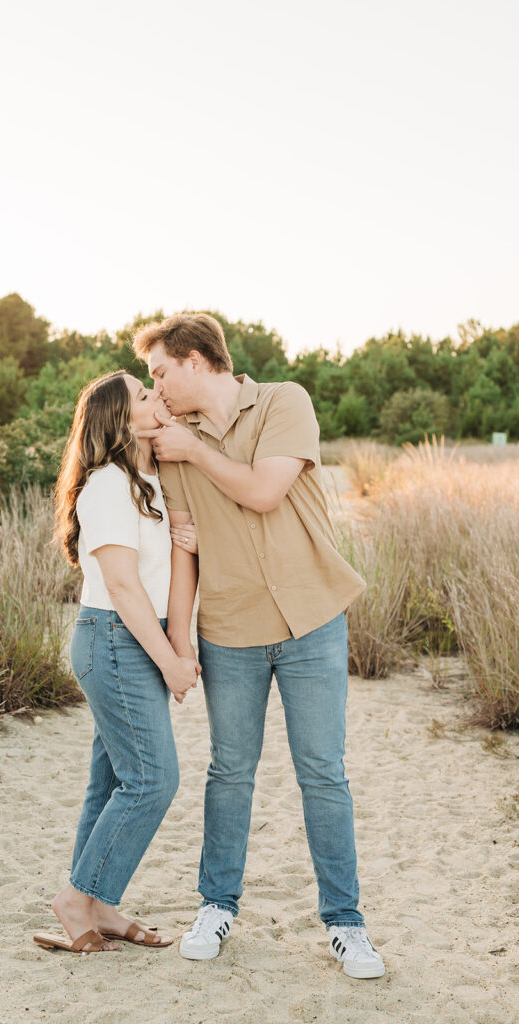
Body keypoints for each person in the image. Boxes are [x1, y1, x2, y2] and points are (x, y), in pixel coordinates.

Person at [133, 314, 386, 980]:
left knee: (322, 774)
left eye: (159, 372)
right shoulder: (173, 442)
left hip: (311, 620)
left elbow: (265, 492)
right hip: (229, 631)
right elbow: (183, 547)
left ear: (192, 360)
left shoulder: (283, 400)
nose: (154, 386)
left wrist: (193, 453)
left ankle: (345, 923)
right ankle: (216, 906)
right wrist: (178, 643)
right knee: (229, 773)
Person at [33, 370, 200, 955]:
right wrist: (173, 665)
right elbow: (124, 588)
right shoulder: (106, 484)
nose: (158, 398)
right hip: (113, 638)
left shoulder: (149, 483)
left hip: (135, 636)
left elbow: (163, 578)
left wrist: (178, 644)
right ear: (120, 419)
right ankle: (76, 896)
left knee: (110, 780)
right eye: (144, 395)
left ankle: (98, 905)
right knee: (154, 779)